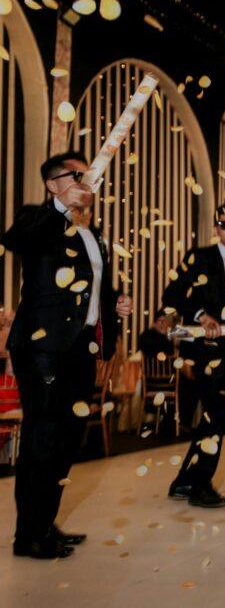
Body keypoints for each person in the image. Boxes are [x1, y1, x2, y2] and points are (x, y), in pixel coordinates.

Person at [2, 152, 133, 559]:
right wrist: (61, 207)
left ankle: (45, 522)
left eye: (86, 174)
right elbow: (15, 240)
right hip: (43, 347)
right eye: (74, 175)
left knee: (69, 438)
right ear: (52, 184)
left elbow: (94, 290)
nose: (83, 180)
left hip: (81, 347)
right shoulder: (37, 219)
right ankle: (29, 535)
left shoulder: (95, 236)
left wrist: (115, 304)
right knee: (42, 436)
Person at [162, 204, 225, 509]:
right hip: (205, 349)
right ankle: (200, 485)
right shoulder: (199, 257)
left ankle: (184, 482)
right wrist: (202, 316)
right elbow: (171, 295)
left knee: (213, 416)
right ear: (216, 228)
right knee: (215, 415)